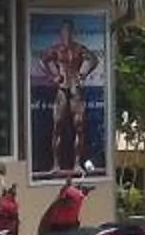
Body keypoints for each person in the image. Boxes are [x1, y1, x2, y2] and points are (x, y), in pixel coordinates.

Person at [35, 20, 101, 174]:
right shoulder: (57, 49)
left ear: (72, 32)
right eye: (64, 31)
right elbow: (42, 60)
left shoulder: (78, 48)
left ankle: (77, 164)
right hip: (62, 88)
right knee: (57, 126)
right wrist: (53, 75)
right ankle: (56, 164)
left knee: (79, 126)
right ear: (61, 33)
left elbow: (94, 59)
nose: (67, 34)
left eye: (69, 31)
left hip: (75, 88)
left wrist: (83, 74)